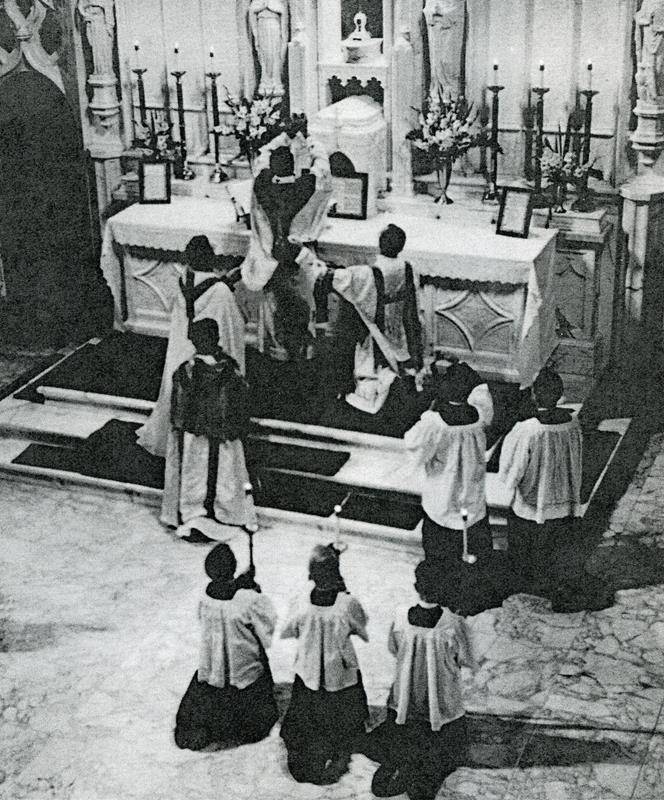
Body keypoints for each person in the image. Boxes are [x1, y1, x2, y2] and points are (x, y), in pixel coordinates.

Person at [367, 561, 477, 800]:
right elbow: (465, 659)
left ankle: (402, 763)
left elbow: (393, 648)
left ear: (416, 586)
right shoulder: (454, 624)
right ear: (445, 589)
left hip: (406, 696)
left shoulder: (400, 616)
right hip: (441, 698)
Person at [137, 235, 245, 460]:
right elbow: (232, 325)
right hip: (210, 359)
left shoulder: (182, 281)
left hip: (184, 351)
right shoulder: (220, 291)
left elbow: (187, 312)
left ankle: (178, 439)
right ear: (211, 259)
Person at [174, 543, 278, 750]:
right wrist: (252, 589)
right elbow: (267, 624)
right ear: (233, 567)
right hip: (242, 668)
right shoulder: (248, 600)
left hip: (214, 665)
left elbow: (209, 613)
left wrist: (241, 584)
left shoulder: (205, 597)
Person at [280, 544, 369, 785]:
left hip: (309, 670)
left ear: (311, 573)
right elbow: (361, 623)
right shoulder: (346, 603)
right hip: (337, 673)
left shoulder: (300, 600)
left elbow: (289, 629)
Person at [241, 135, 332, 362]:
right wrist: (310, 140)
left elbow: (261, 158)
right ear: (293, 166)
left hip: (271, 263)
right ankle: (303, 355)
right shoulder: (305, 186)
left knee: (273, 309)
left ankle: (273, 352)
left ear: (272, 167)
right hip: (298, 262)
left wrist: (283, 137)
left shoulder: (261, 184)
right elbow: (322, 168)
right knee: (301, 308)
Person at [165, 318, 256, 539]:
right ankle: (216, 512)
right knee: (217, 472)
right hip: (217, 434)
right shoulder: (227, 370)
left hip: (199, 434)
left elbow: (180, 410)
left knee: (201, 472)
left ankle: (202, 512)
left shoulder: (187, 372)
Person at [498, 366, 583, 589]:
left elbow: (513, 466)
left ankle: (525, 580)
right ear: (559, 394)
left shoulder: (528, 429)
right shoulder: (572, 422)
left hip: (534, 499)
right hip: (562, 495)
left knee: (525, 540)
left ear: (534, 394)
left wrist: (509, 483)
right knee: (553, 543)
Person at [404, 361, 493, 564]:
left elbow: (413, 443)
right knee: (472, 556)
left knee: (441, 558)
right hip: (472, 496)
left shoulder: (434, 423)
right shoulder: (480, 416)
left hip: (442, 497)